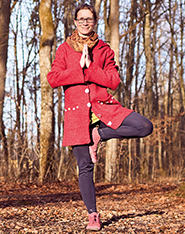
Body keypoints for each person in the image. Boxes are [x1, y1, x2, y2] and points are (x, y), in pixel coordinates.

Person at [47, 3, 153, 231]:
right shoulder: (64, 49)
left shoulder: (104, 49)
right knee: (85, 166)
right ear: (75, 22)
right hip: (77, 116)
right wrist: (80, 69)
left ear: (95, 22)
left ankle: (100, 134)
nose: (85, 22)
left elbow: (114, 80)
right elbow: (53, 78)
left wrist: (91, 67)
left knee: (144, 126)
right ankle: (93, 215)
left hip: (105, 109)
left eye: (89, 19)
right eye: (81, 19)